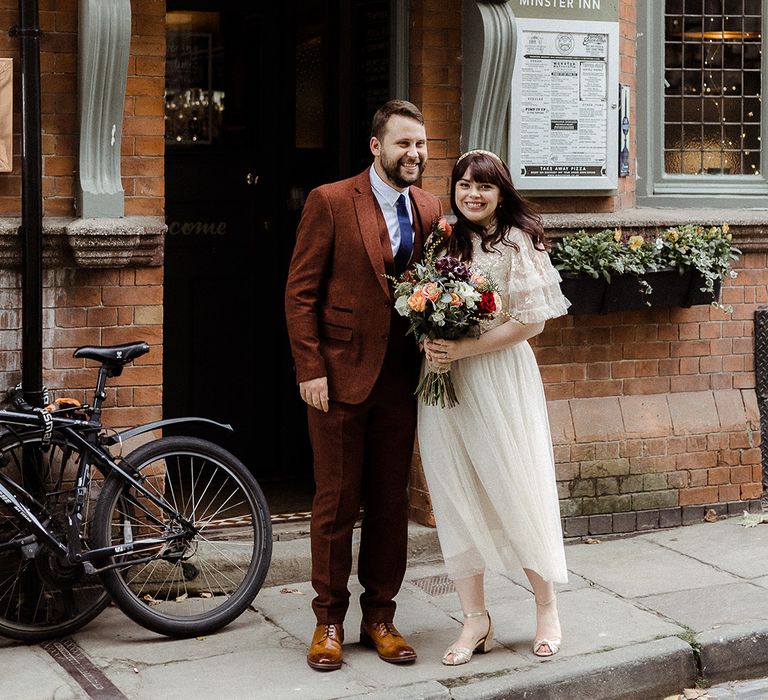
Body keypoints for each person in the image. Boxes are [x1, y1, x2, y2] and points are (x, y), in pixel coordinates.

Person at [284, 100, 442, 671]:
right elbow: (300, 292)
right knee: (335, 505)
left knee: (388, 504)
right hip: (338, 377)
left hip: (401, 381)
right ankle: (328, 622)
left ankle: (381, 617)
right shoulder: (329, 201)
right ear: (376, 146)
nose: (414, 154)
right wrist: (310, 370)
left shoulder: (429, 206)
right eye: (404, 144)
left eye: (420, 144)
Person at [419, 149, 570, 666]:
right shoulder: (443, 238)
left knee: (515, 486)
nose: (473, 195)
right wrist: (429, 335)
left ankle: (546, 609)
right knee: (455, 491)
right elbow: (421, 297)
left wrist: (464, 347)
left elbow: (532, 322)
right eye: (463, 185)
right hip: (445, 380)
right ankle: (475, 620)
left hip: (499, 376)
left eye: (483, 186)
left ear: (501, 191)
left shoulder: (518, 241)